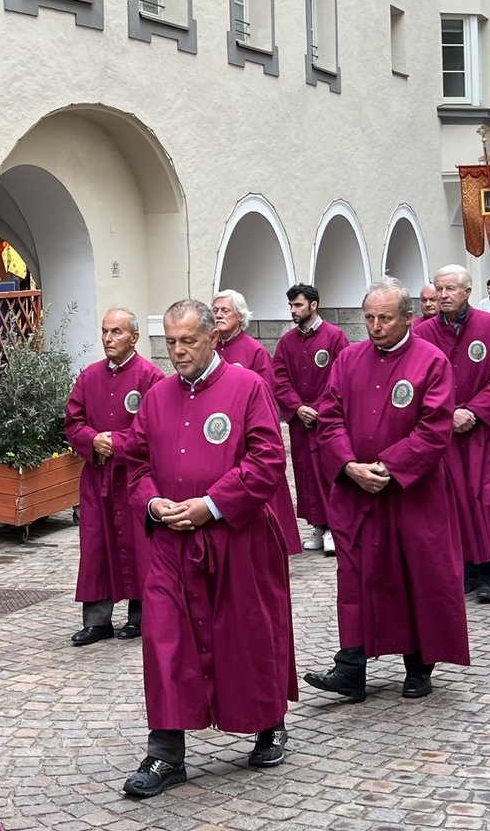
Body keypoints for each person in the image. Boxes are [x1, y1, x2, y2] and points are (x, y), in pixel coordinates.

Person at [113, 299, 293, 798]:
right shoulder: (157, 397)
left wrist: (212, 504)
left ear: (213, 339)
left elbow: (266, 460)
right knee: (165, 640)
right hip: (170, 544)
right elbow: (136, 464)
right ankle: (165, 752)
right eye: (171, 342)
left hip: (236, 537)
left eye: (188, 341)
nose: (178, 351)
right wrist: (153, 504)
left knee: (247, 632)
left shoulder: (247, 387)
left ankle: (269, 724)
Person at [305, 280, 467, 703]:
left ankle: (419, 665)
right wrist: (348, 465)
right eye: (369, 318)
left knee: (417, 574)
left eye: (385, 318)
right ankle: (351, 667)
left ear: (408, 318)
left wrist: (389, 466)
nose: (375, 326)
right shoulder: (348, 359)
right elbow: (330, 418)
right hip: (357, 492)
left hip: (413, 494)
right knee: (355, 577)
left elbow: (434, 427)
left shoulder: (431, 361)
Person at [416, 266, 490, 605]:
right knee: (454, 500)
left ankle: (488, 572)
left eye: (450, 288)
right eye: (439, 289)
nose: (443, 295)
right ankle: (464, 568)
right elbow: (417, 381)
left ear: (467, 291)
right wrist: (447, 413)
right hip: (444, 433)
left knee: (488, 498)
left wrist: (474, 411)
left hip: (487, 432)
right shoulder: (423, 334)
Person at [63, 307, 164, 644]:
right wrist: (92, 440)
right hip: (97, 476)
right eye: (105, 331)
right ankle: (97, 620)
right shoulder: (89, 376)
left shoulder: (150, 377)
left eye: (116, 332)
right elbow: (73, 422)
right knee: (95, 546)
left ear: (134, 337)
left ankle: (141, 615)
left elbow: (155, 427)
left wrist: (117, 443)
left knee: (138, 545)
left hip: (134, 477)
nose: (108, 338)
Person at [211, 289, 303, 555]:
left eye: (225, 310)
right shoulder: (209, 350)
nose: (218, 315)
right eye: (215, 310)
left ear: (240, 316)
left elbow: (265, 398)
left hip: (246, 436)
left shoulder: (255, 352)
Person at [272, 283, 349, 556]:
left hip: (327, 420)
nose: (293, 310)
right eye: (291, 306)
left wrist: (319, 409)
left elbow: (342, 376)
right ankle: (318, 525)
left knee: (329, 472)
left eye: (298, 305)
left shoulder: (335, 337)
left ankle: (334, 528)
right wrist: (297, 408)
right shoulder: (286, 342)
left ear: (313, 305)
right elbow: (279, 378)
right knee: (305, 474)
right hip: (301, 423)